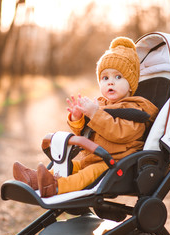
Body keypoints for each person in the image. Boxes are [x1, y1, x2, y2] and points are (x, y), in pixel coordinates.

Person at [13, 37, 159, 198]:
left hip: (114, 164)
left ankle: (54, 186)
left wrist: (95, 114)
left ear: (131, 83)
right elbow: (83, 134)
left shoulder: (135, 108)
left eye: (118, 77)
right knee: (66, 166)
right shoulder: (101, 104)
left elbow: (120, 133)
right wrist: (77, 118)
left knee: (84, 176)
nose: (110, 83)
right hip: (92, 158)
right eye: (105, 78)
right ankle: (35, 179)